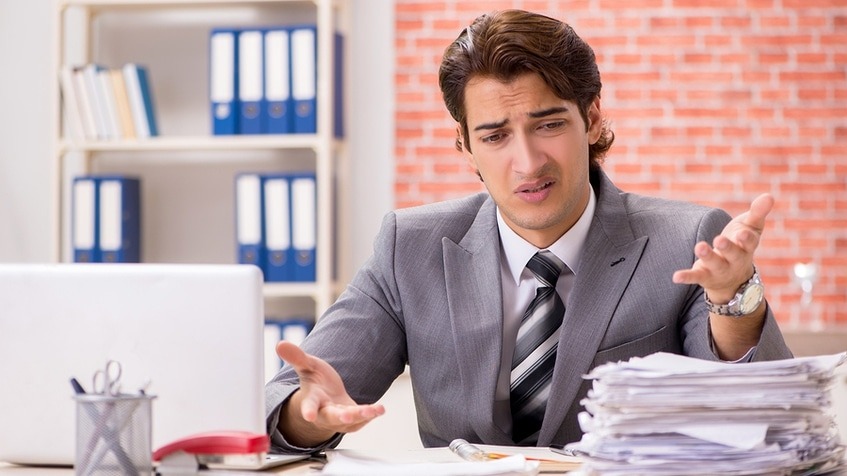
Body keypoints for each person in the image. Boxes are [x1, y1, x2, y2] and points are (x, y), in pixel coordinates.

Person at [265, 9, 793, 452]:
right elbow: (293, 400)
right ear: (465, 146)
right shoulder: (411, 248)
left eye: (549, 124)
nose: (527, 161)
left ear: (590, 119)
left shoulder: (688, 239)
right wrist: (307, 417)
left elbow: (755, 421)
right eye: (495, 136)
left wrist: (733, 301)